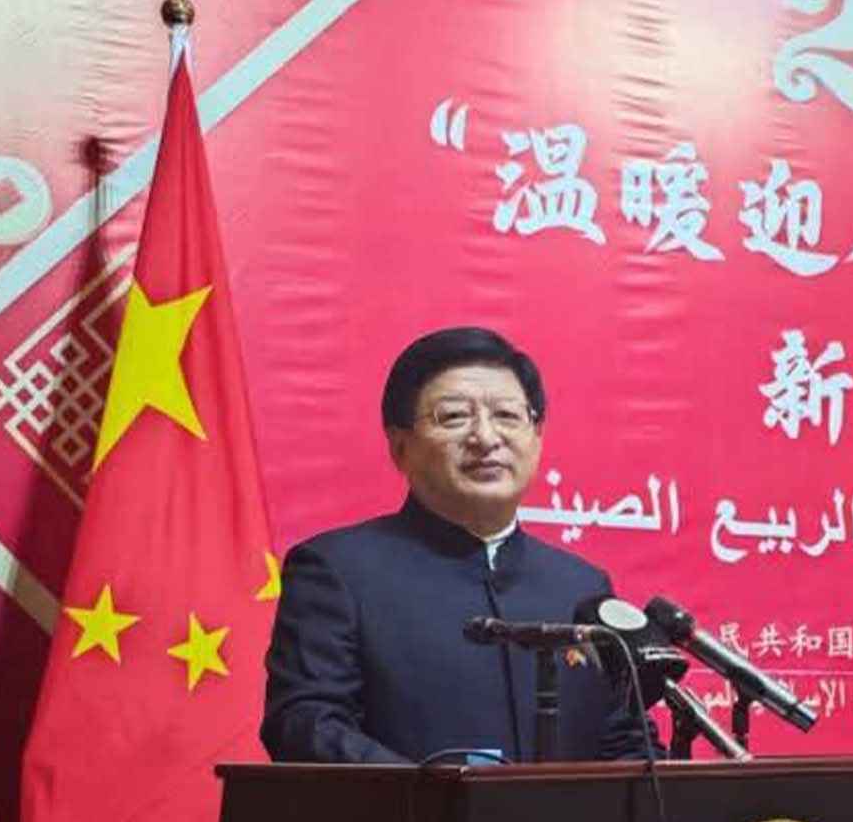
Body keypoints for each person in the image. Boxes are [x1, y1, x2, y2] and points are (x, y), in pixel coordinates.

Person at [261, 327, 655, 763]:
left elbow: (627, 743)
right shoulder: (337, 572)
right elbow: (307, 725)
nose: (486, 438)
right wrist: (441, 794)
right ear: (400, 447)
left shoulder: (580, 587)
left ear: (537, 435)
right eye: (453, 417)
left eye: (507, 416)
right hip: (403, 810)